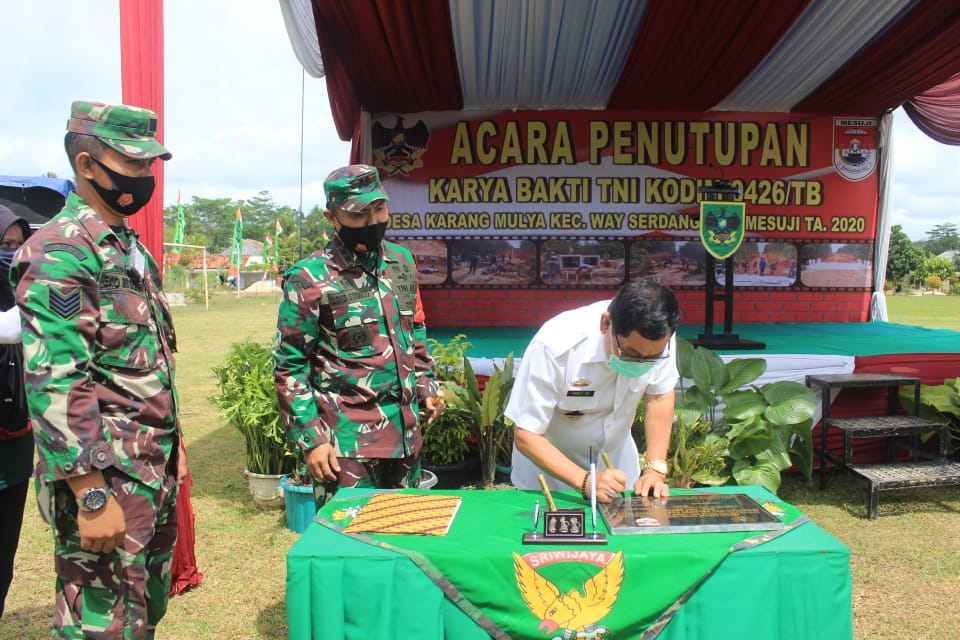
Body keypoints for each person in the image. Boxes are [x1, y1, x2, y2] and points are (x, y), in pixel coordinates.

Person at [11, 100, 186, 639]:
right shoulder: (61, 251)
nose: (144, 175)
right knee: (102, 627)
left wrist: (175, 446)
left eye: (148, 165)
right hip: (105, 477)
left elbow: (149, 360)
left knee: (142, 615)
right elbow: (56, 378)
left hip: (150, 469)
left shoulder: (130, 251)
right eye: (131, 163)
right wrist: (90, 493)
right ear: (87, 165)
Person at [274, 164, 443, 504]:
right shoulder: (308, 278)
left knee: (403, 530)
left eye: (378, 209)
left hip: (406, 437)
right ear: (332, 217)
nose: (372, 221)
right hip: (346, 446)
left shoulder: (401, 263)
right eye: (358, 214)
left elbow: (414, 332)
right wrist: (311, 439)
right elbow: (289, 365)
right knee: (348, 535)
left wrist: (427, 387)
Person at [505, 281, 680, 503]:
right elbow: (527, 434)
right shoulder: (554, 345)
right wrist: (586, 481)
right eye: (630, 354)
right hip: (549, 483)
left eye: (652, 358)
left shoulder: (659, 340)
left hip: (618, 474)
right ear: (606, 324)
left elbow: (659, 396)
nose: (641, 363)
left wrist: (654, 469)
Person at [0, 205, 32, 619]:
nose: (10, 252)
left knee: (3, 556)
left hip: (15, 449)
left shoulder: (20, 295)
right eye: (3, 244)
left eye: (16, 244)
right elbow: (10, 328)